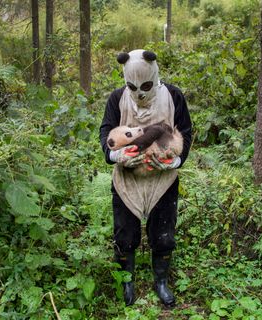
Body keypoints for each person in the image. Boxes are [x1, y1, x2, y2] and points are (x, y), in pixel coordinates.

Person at [99, 49, 192, 307]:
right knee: (124, 234)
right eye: (132, 86)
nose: (139, 93)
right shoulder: (117, 98)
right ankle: (127, 281)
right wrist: (115, 156)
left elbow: (185, 130)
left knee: (163, 235)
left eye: (146, 86)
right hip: (127, 179)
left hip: (163, 180)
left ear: (155, 73)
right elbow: (106, 131)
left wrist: (176, 160)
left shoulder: (173, 96)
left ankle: (160, 281)